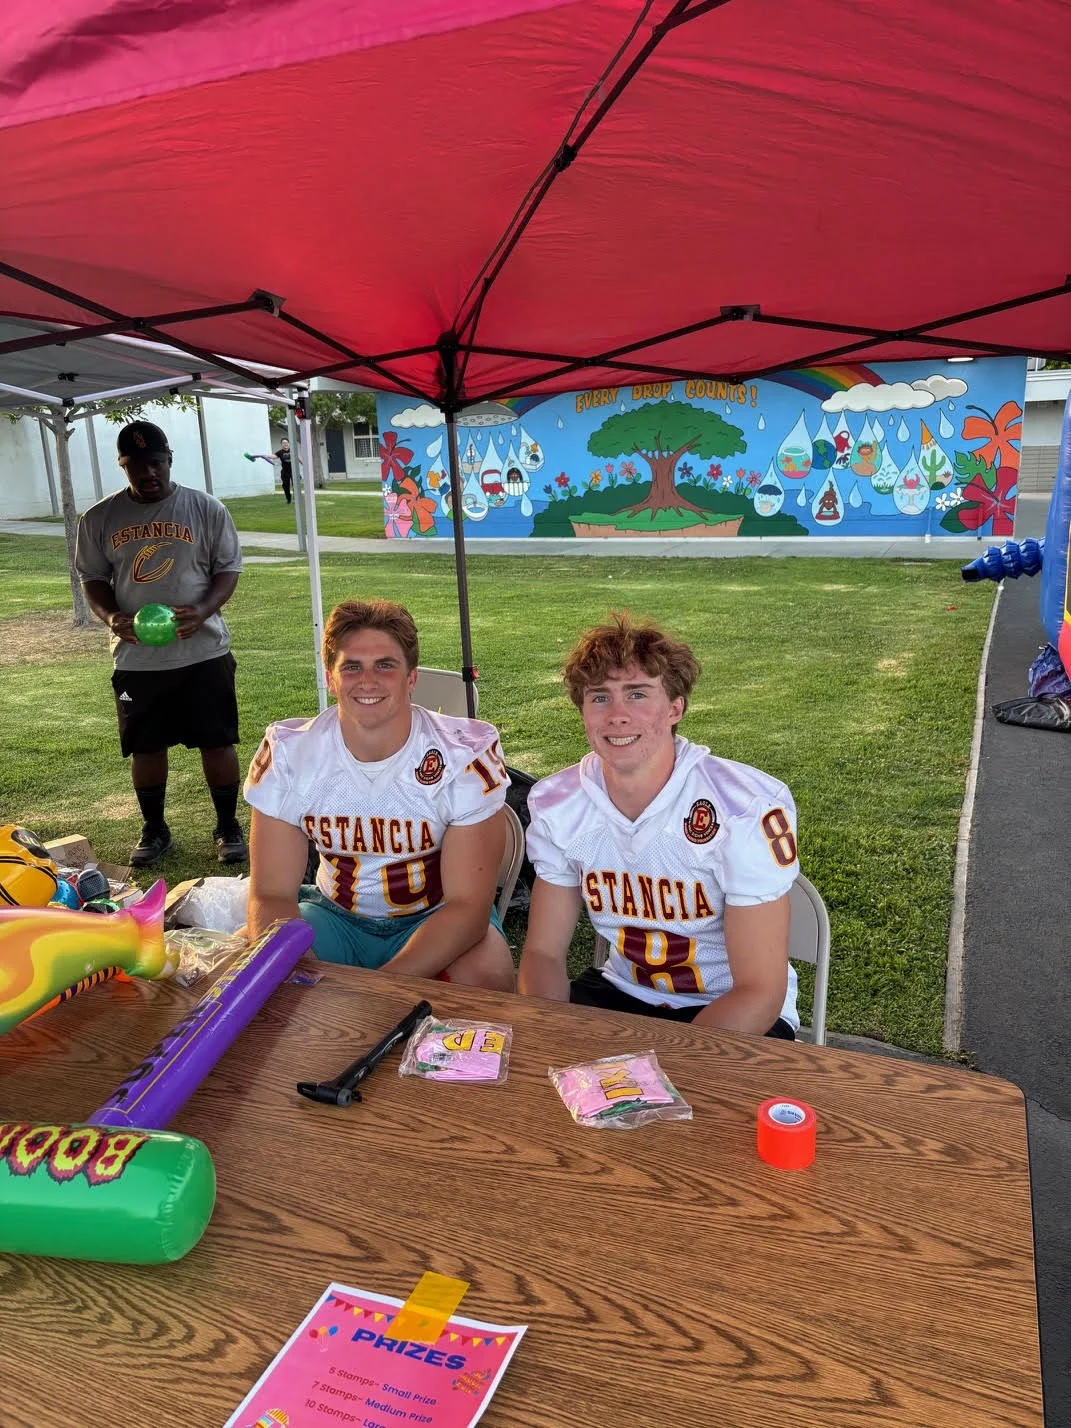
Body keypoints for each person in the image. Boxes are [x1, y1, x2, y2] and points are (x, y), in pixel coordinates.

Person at [518, 613, 800, 1037]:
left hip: (728, 1008)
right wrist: (549, 1035)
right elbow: (542, 954)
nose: (617, 715)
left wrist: (657, 1073)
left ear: (674, 707)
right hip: (622, 993)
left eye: (636, 694)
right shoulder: (559, 803)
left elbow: (760, 990)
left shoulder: (744, 807)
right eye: (599, 697)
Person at [243, 599, 514, 989]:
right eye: (352, 666)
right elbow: (270, 894)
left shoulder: (461, 753)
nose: (367, 681)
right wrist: (296, 970)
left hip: (433, 915)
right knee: (256, 969)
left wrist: (374, 992)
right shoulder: (290, 753)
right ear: (330, 678)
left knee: (487, 972)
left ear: (411, 677)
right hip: (336, 916)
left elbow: (467, 909)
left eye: (385, 665)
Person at [75, 420, 247, 868]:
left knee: (217, 741)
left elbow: (228, 570)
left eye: (156, 463)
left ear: (169, 460)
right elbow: (92, 578)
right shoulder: (99, 518)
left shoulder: (206, 509)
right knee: (145, 746)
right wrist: (112, 615)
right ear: (122, 466)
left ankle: (227, 825)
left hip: (203, 652)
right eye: (136, 466)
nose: (148, 473)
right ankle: (155, 829)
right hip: (138, 659)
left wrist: (204, 610)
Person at [275, 437, 293, 503]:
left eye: (286, 442)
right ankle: (289, 499)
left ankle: (297, 499)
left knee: (296, 486)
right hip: (285, 472)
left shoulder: (293, 451)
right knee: (285, 486)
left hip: (293, 471)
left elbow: (298, 459)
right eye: (283, 443)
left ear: (288, 443)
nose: (285, 444)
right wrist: (264, 456)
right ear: (281, 444)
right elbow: (273, 456)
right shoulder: (280, 452)